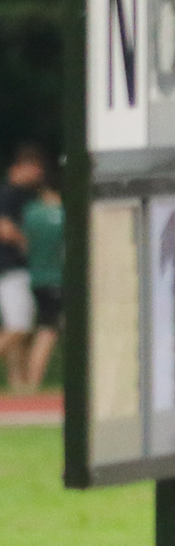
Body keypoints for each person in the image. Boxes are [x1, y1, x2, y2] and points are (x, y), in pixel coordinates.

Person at [9, 160, 59, 395]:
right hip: (55, 277)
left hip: (34, 277)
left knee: (28, 331)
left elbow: (23, 240)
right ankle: (32, 383)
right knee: (47, 330)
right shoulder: (61, 215)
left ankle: (19, 382)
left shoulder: (30, 213)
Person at [0, 143, 41, 387]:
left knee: (19, 329)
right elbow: (3, 229)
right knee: (19, 327)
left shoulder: (28, 195)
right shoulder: (9, 194)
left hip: (15, 268)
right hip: (12, 267)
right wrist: (28, 243)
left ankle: (19, 384)